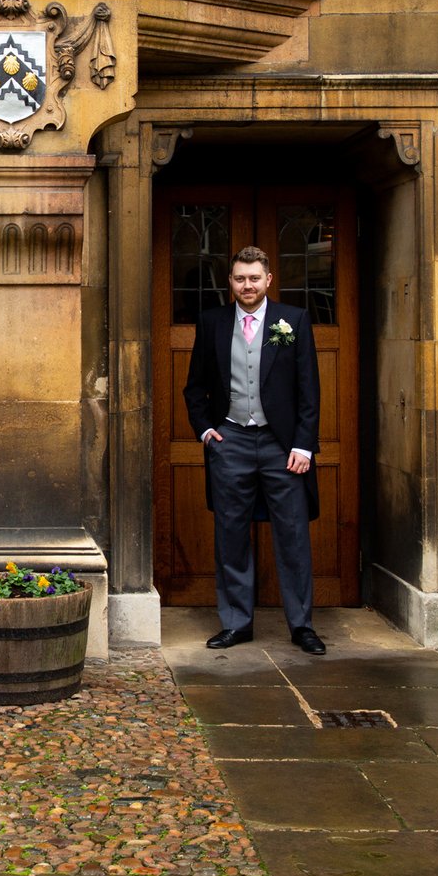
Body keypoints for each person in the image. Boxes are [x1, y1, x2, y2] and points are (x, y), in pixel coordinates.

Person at [183, 245, 326, 656]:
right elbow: (195, 386)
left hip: (283, 446)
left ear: (268, 280)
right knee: (230, 535)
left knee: (294, 535)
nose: (247, 285)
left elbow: (308, 389)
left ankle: (301, 626)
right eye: (240, 278)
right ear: (231, 282)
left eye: (254, 278)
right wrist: (207, 431)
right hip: (231, 441)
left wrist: (304, 444)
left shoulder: (293, 320)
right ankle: (236, 623)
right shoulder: (212, 322)